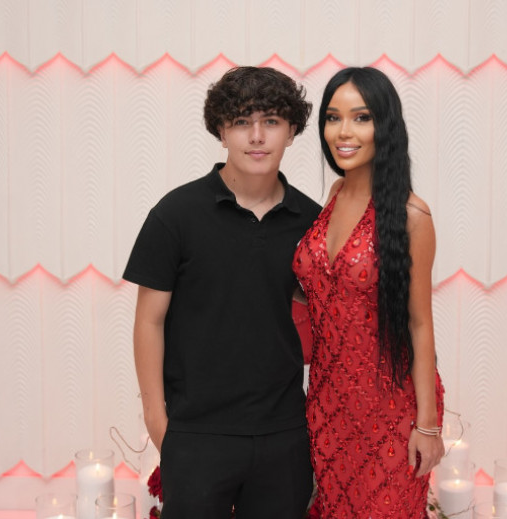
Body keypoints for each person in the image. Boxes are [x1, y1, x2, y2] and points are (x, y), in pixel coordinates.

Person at [124, 66, 321, 518]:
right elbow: (148, 321)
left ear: (292, 131)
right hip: (196, 432)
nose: (257, 136)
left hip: (284, 432)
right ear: (221, 130)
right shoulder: (176, 215)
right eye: (241, 121)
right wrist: (158, 422)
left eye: (271, 121)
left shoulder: (312, 222)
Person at [293, 67, 445, 518]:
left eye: (361, 117)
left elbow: (419, 324)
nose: (343, 132)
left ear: (386, 126)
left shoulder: (412, 215)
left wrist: (427, 425)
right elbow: (320, 292)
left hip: (391, 409)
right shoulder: (335, 194)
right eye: (333, 117)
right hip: (327, 404)